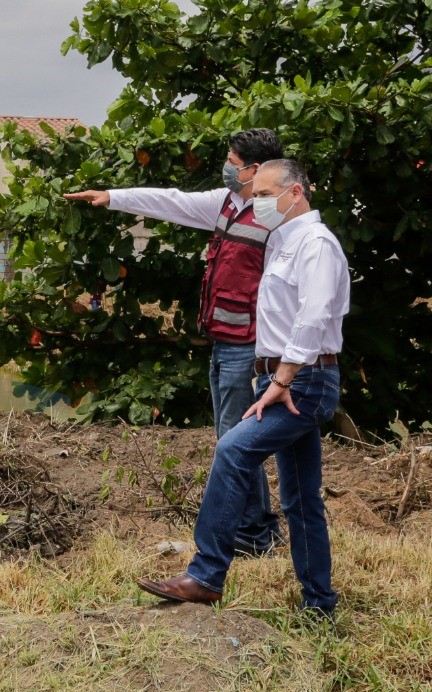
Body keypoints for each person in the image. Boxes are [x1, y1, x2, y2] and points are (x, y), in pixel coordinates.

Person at [137, 159, 349, 617]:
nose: (256, 204)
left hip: (302, 381)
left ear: (295, 193)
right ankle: (320, 606)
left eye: (264, 195)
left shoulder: (315, 244)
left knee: (233, 450)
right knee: (300, 499)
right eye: (253, 196)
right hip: (285, 377)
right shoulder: (285, 242)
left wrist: (281, 379)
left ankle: (206, 575)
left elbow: (313, 318)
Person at [63, 129, 285, 556]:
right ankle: (258, 530)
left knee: (235, 439)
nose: (226, 166)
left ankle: (255, 534)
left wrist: (275, 354)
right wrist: (112, 196)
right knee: (234, 437)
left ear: (255, 170)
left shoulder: (276, 218)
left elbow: (286, 288)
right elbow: (171, 201)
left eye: (232, 161)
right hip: (224, 340)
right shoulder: (227, 204)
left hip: (250, 345)